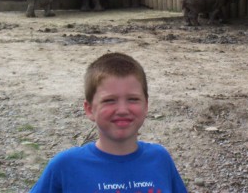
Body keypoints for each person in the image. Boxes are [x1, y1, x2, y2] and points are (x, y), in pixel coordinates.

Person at [30, 52, 188, 193]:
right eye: (109, 100)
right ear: (90, 109)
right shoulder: (65, 166)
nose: (122, 109)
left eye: (132, 99)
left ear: (146, 105)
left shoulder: (160, 159)